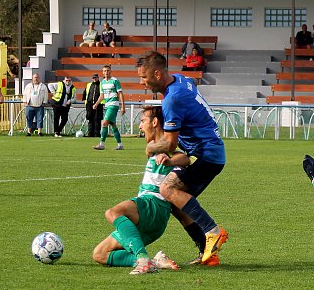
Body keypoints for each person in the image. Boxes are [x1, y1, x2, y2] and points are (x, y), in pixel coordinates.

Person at [136, 51, 228, 265]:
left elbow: (169, 143)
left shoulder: (172, 99)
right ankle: (207, 252)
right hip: (208, 151)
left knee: (167, 190)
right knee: (177, 202)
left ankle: (213, 231)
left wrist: (150, 147)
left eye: (144, 77)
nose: (142, 82)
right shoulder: (180, 79)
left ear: (157, 74)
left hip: (206, 154)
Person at [92, 106, 188, 274]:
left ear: (155, 122)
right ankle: (153, 261)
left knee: (113, 213)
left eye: (143, 121)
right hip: (152, 218)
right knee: (100, 254)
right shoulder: (153, 147)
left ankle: (143, 260)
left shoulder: (167, 145)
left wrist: (170, 160)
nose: (140, 126)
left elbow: (185, 158)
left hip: (154, 205)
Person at [93, 65, 125, 150]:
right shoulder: (102, 82)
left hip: (113, 105)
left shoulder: (115, 81)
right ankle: (120, 145)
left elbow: (120, 93)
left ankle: (101, 144)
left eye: (108, 71)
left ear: (110, 71)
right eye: (105, 71)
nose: (106, 72)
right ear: (102, 72)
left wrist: (123, 106)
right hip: (107, 105)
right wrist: (96, 104)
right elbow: (102, 95)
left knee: (104, 123)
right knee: (112, 124)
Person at [82, 73, 103, 137]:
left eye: (95, 78)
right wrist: (85, 102)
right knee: (90, 119)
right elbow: (85, 93)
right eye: (93, 78)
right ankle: (90, 133)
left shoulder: (101, 84)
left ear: (98, 78)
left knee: (97, 119)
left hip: (99, 104)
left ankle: (97, 133)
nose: (94, 79)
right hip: (89, 104)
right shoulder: (89, 85)